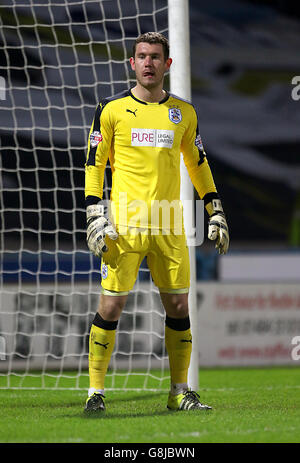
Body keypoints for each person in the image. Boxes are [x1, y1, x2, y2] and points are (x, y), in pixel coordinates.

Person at [84, 32, 229, 413]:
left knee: (179, 306)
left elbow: (198, 165)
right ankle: (95, 393)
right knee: (111, 307)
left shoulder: (184, 112)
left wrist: (215, 209)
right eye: (142, 57)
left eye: (155, 57)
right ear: (132, 63)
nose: (148, 63)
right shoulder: (111, 109)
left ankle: (180, 391)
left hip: (170, 226)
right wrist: (94, 211)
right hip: (124, 226)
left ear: (168, 64)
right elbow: (95, 163)